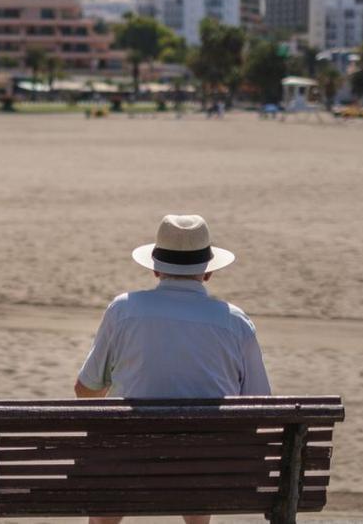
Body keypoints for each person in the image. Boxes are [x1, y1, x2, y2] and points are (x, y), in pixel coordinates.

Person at [75, 215, 272, 524]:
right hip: (205, 468)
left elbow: (84, 390)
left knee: (111, 452)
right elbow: (260, 404)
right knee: (201, 454)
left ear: (155, 268)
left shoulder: (124, 310)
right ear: (207, 272)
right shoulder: (235, 323)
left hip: (128, 460)